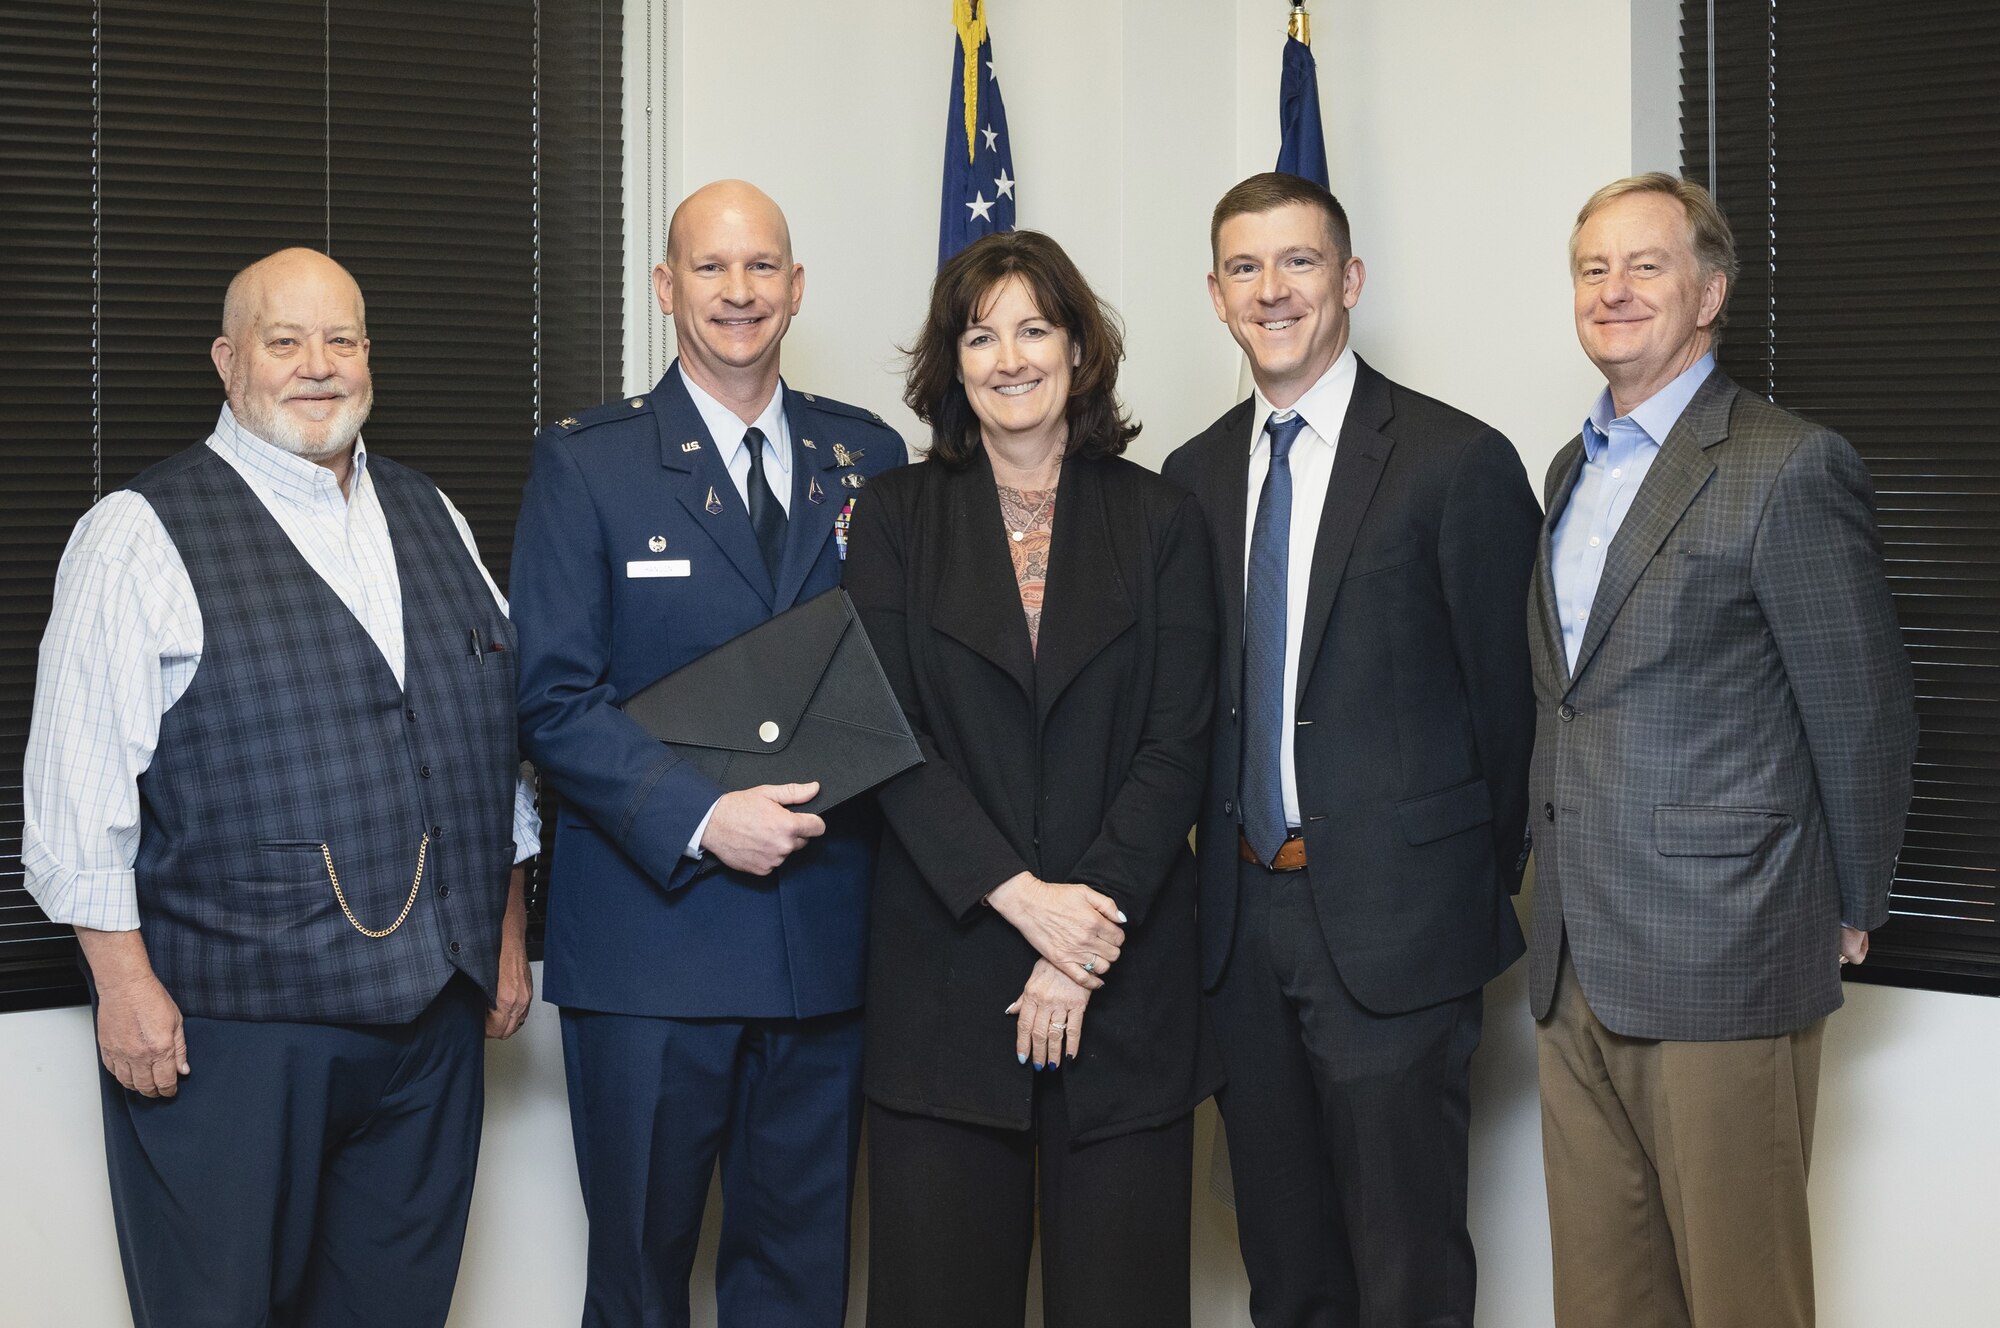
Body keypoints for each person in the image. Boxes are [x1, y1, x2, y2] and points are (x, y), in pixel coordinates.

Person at [21, 247, 537, 1328]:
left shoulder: (429, 510)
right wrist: (125, 991)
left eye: (340, 338)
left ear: (367, 357)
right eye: (283, 339)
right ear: (227, 359)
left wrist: (497, 933)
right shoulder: (137, 534)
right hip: (230, 1034)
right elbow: (76, 798)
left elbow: (488, 741)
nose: (318, 366)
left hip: (427, 1030)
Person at [511, 179, 905, 1328]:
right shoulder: (591, 462)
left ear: (795, 289)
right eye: (712, 267)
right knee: (638, 1282)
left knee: (799, 1281)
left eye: (762, 267)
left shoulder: (864, 454)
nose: (739, 292)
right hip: (653, 948)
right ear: (664, 286)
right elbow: (552, 698)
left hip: (822, 947)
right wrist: (700, 815)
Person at [1528, 172, 1918, 1328]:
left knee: (1741, 1297)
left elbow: (1861, 707)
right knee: (1600, 1299)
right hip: (1570, 953)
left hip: (1725, 948)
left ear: (1707, 293)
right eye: (1591, 267)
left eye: (1644, 265)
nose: (1612, 289)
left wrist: (1849, 898)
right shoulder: (1569, 470)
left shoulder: (1783, 465)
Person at [1162, 172, 1541, 1327]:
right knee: (1286, 1262)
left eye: (1297, 262)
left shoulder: (1452, 460)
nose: (1270, 289)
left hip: (1395, 929)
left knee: (1405, 1263)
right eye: (1243, 267)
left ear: (1349, 280)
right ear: (1215, 294)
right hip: (1237, 923)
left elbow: (1510, 708)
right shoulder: (1188, 477)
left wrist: (1451, 888)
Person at [844, 230, 1217, 1328]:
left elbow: (1176, 743)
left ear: (1077, 348)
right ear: (951, 364)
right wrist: (1025, 903)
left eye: (1033, 328)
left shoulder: (1160, 519)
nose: (1009, 356)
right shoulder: (892, 517)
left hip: (1122, 994)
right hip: (945, 989)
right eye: (980, 332)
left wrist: (1080, 937)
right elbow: (886, 735)